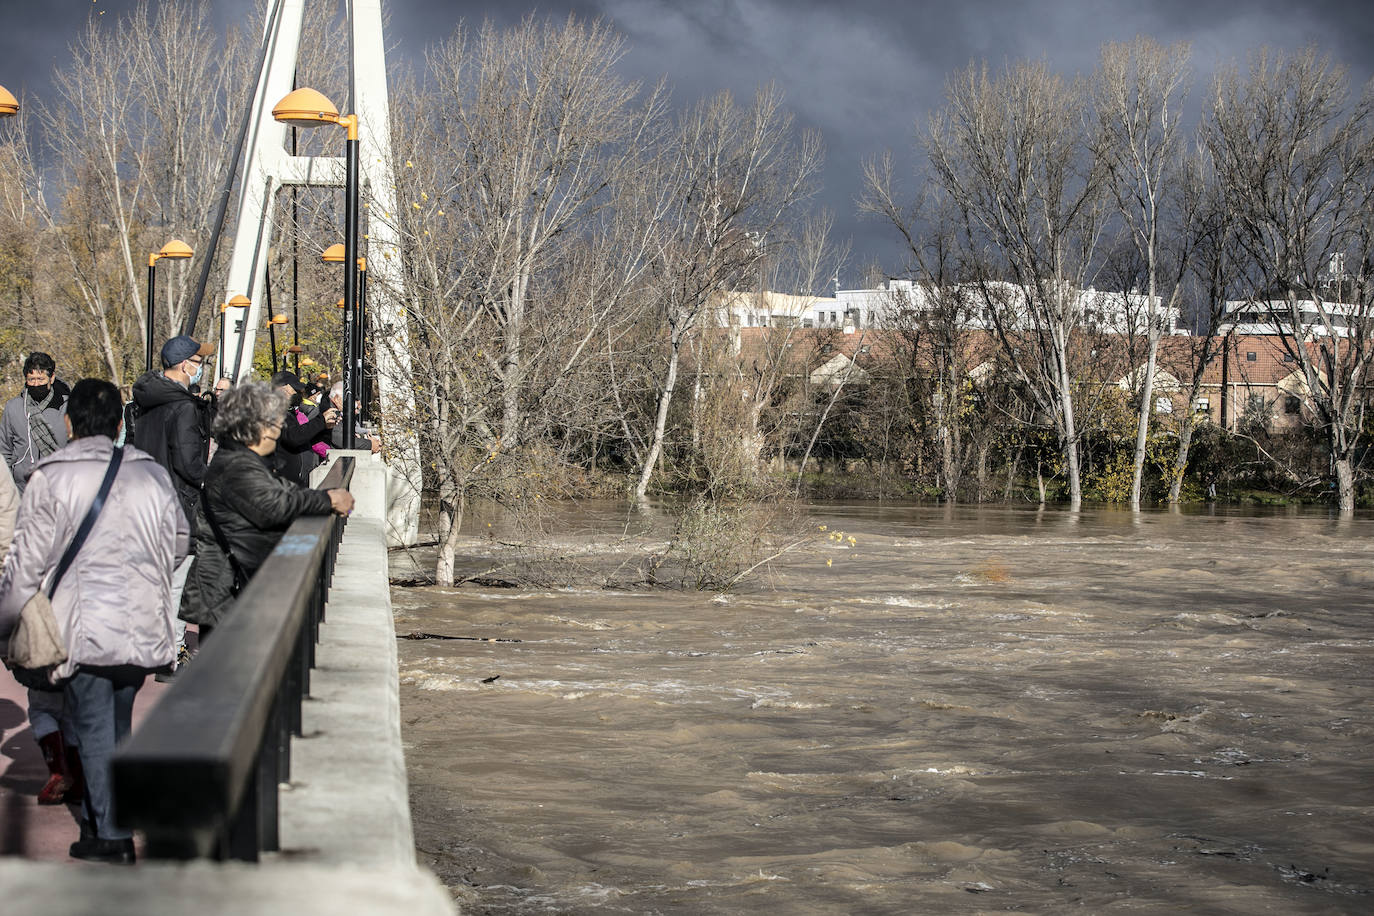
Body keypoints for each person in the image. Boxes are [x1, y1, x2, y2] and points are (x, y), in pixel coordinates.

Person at [0, 379, 188, 864]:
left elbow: (25, 564)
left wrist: (5, 622)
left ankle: (110, 834)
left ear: (68, 422)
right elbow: (180, 541)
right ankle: (104, 821)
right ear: (119, 423)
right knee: (117, 726)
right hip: (142, 623)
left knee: (91, 729)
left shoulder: (52, 476)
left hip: (82, 628)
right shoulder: (149, 474)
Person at [179, 383, 353, 637]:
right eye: (272, 421)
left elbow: (283, 491)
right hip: (224, 589)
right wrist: (327, 500)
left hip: (232, 583)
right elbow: (275, 505)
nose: (278, 427)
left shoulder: (243, 458)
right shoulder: (237, 466)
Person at [131, 335, 213, 673]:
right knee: (177, 586)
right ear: (185, 365)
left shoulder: (144, 402)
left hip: (147, 501)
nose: (201, 368)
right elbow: (188, 463)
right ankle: (172, 655)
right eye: (199, 362)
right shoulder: (182, 407)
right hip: (177, 504)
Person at [0, 352, 69, 494]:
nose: (36, 384)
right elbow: (5, 448)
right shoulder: (13, 407)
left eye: (40, 379)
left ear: (51, 378)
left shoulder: (67, 407)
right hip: (21, 488)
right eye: (31, 380)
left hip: (58, 485)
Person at [269, 369, 338, 487]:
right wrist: (321, 420)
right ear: (282, 388)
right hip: (284, 482)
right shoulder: (275, 411)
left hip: (294, 481)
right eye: (294, 389)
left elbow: (304, 436)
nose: (297, 393)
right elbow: (294, 436)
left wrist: (325, 427)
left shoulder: (286, 411)